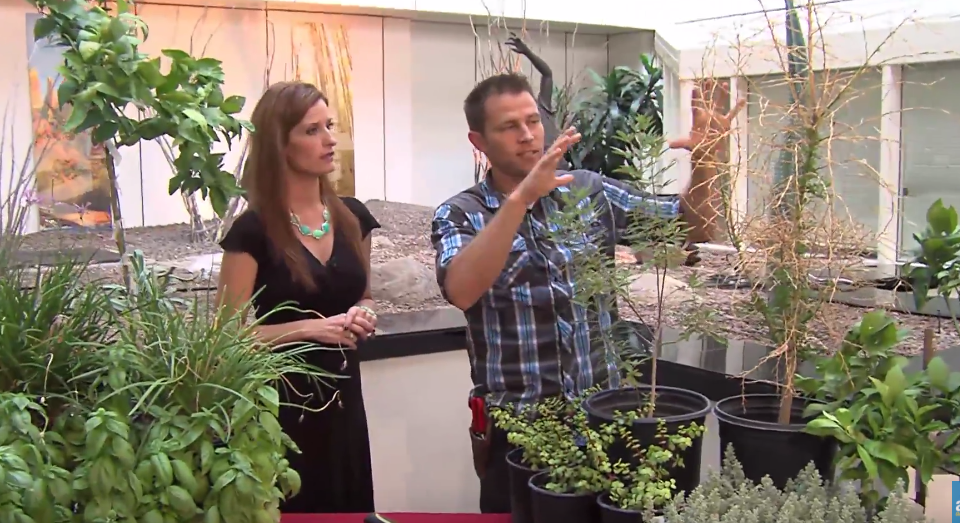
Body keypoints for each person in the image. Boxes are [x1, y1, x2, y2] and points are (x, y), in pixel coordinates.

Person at [430, 73, 744, 513]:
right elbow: (461, 290)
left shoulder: (587, 190)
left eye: (533, 121)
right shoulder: (461, 213)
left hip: (605, 416)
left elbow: (690, 225)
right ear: (478, 141)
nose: (527, 135)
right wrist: (519, 200)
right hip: (522, 429)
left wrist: (710, 156)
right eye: (509, 127)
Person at [216, 81, 381, 514]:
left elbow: (364, 295)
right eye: (312, 130)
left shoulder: (352, 217)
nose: (329, 140)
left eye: (329, 126)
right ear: (279, 143)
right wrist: (310, 328)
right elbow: (225, 337)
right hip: (281, 409)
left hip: (345, 400)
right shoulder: (252, 232)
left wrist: (363, 314)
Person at [505, 33, 568, 169]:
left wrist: (527, 52)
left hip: (559, 168)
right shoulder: (514, 120)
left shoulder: (542, 106)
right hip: (535, 171)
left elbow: (547, 74)